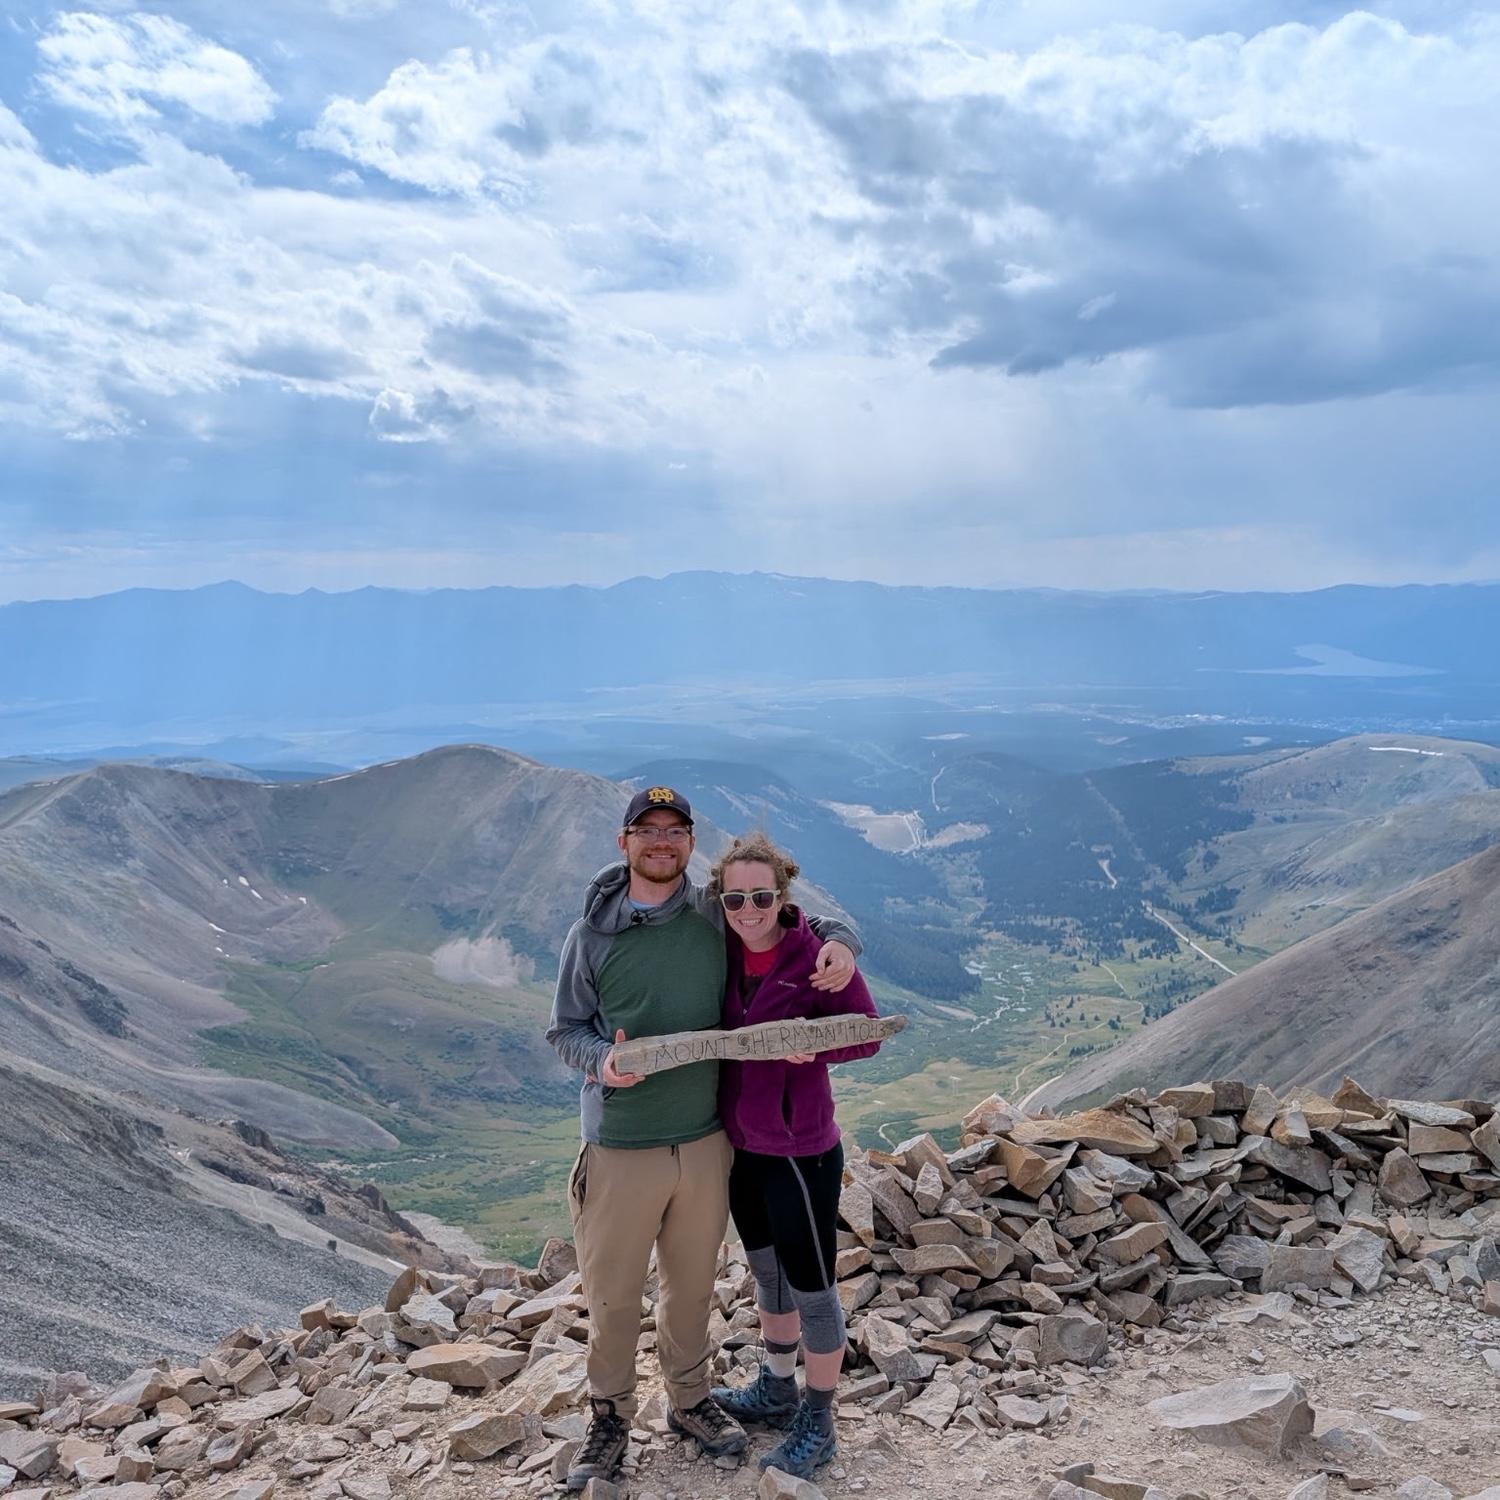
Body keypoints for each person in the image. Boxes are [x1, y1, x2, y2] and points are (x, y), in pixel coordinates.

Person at [545, 787, 861, 1493]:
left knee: (690, 1291)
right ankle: (610, 1418)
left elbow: (785, 915)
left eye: (676, 830)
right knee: (615, 1296)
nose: (662, 842)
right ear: (623, 842)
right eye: (647, 831)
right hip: (622, 1143)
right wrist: (601, 1061)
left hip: (708, 1142)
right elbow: (564, 1031)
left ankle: (689, 1401)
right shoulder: (590, 936)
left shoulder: (713, 913)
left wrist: (842, 940)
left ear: (691, 843)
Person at [707, 831, 884, 1481]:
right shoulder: (720, 947)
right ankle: (776, 1385)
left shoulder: (814, 953)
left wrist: (818, 1046)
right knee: (768, 1275)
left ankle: (819, 1416)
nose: (747, 909)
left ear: (782, 895)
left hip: (802, 1149)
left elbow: (864, 1033)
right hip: (743, 1146)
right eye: (734, 898)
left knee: (813, 1288)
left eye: (760, 895)